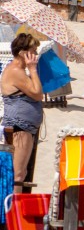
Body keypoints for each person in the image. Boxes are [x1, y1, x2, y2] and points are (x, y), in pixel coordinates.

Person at [1, 33, 43, 186]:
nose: (35, 55)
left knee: (21, 171)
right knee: (18, 173)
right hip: (19, 126)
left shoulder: (16, 70)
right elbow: (38, 94)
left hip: (23, 127)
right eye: (33, 50)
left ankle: (14, 206)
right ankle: (13, 208)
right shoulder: (15, 71)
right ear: (22, 53)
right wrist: (33, 69)